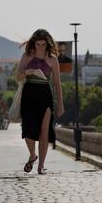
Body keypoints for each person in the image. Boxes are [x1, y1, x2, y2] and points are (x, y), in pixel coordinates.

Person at [16, 29, 65, 174]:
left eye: (43, 44)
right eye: (38, 44)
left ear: (48, 44)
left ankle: (41, 165)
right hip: (29, 94)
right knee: (28, 129)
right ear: (33, 43)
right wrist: (27, 72)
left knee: (44, 131)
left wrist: (60, 104)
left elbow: (57, 83)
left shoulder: (53, 59)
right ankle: (32, 155)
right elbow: (18, 77)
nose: (40, 47)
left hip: (45, 95)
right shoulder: (27, 56)